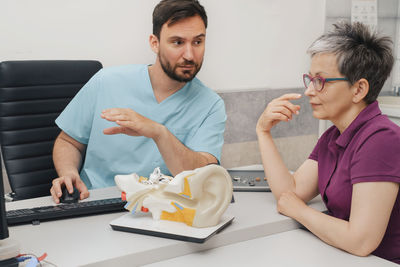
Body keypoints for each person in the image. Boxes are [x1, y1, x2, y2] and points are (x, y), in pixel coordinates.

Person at [50, 0, 226, 204]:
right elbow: (68, 141)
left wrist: (159, 133)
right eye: (177, 42)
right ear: (155, 43)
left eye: (197, 42)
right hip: (96, 204)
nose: (189, 55)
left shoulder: (211, 105)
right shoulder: (106, 81)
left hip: (165, 211)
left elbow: (201, 176)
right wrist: (69, 173)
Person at [256, 22, 400, 264]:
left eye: (320, 81)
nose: (310, 91)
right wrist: (263, 132)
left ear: (358, 89)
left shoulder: (382, 140)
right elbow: (290, 194)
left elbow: (361, 241)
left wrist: (301, 212)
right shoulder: (333, 136)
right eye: (310, 79)